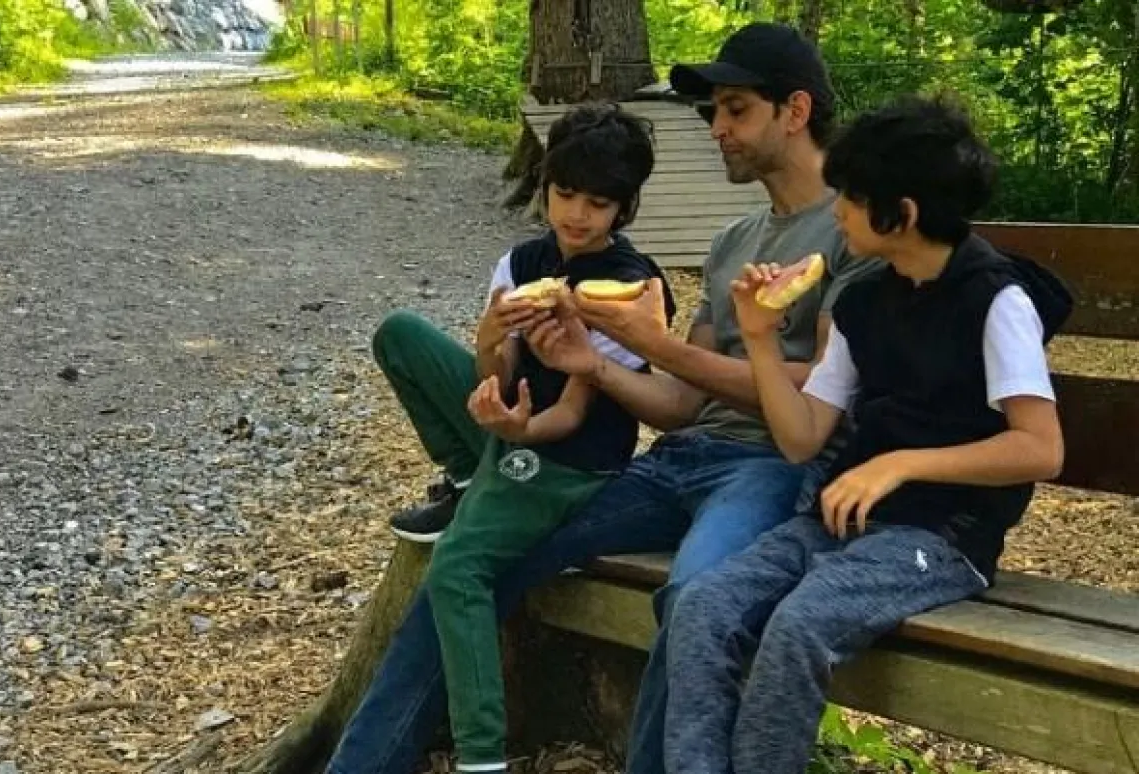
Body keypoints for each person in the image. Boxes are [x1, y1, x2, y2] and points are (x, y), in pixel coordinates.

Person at [325, 22, 876, 774]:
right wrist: (597, 365)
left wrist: (654, 345)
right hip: (676, 459)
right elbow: (680, 404)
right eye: (714, 111)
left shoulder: (851, 234)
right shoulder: (731, 243)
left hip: (772, 467)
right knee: (471, 557)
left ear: (796, 110)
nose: (716, 128)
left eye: (735, 110)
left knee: (695, 595)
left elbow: (819, 391)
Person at [663, 95, 1071, 774]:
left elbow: (1040, 447)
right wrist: (760, 339)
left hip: (940, 536)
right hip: (838, 523)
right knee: (705, 606)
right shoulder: (864, 302)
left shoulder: (997, 301)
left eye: (850, 199)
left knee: (798, 627)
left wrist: (901, 464)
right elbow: (803, 438)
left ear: (900, 213)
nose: (837, 212)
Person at [396, 102, 677, 774]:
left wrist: (520, 430)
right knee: (400, 334)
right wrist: (490, 342)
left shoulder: (631, 289)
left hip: (570, 457)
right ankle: (469, 476)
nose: (577, 214)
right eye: (565, 194)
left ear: (624, 207)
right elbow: (495, 378)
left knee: (457, 568)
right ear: (546, 187)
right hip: (517, 424)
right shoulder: (522, 263)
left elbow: (573, 415)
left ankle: (481, 755)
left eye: (598, 203)